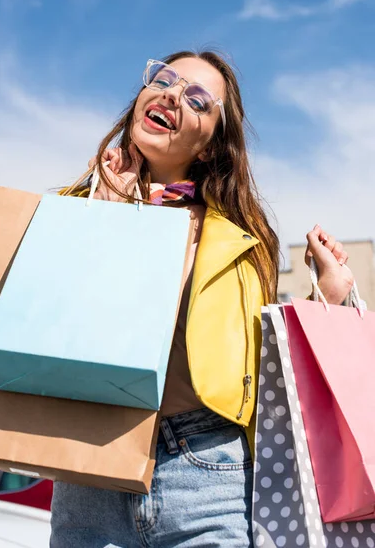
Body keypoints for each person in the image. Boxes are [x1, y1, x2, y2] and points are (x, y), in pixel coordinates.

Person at [50, 51, 353, 547]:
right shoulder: (69, 208)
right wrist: (103, 214)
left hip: (207, 471)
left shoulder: (241, 242)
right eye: (164, 79)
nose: (172, 94)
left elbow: (265, 371)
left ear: (212, 146)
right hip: (90, 470)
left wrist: (329, 298)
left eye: (197, 99)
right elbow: (43, 324)